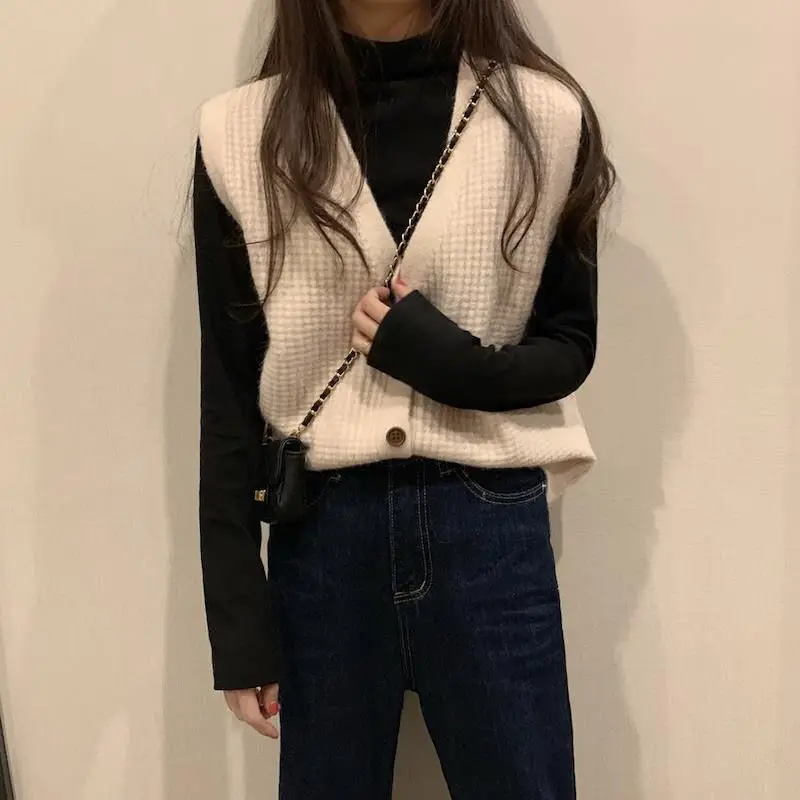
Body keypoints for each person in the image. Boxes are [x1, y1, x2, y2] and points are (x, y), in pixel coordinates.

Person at [193, 0, 615, 797]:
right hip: (321, 535)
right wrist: (238, 620)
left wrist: (443, 361)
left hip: (488, 528)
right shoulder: (239, 132)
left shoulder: (547, 117)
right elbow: (228, 389)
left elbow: (571, 345)